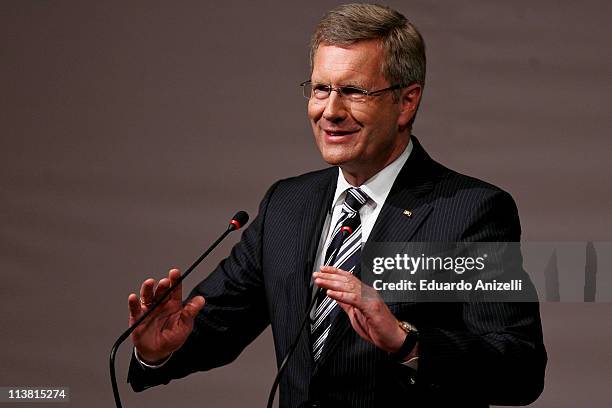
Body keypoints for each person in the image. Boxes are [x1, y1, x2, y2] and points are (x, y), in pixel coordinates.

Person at [126, 4, 546, 407]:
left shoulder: (469, 211)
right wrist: (159, 349)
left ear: (406, 102)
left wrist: (406, 343)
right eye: (321, 89)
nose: (330, 111)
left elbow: (519, 368)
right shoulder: (287, 206)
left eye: (353, 91)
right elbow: (214, 324)